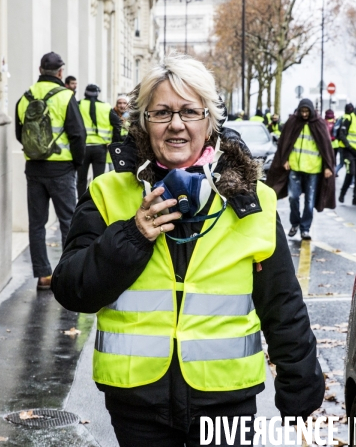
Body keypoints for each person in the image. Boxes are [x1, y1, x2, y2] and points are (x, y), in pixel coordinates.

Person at [52, 54, 324, 446]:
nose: (177, 124)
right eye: (162, 112)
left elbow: (281, 302)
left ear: (210, 121)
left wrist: (300, 386)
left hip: (226, 401)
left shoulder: (253, 201)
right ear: (144, 122)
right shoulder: (108, 193)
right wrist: (131, 236)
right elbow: (71, 289)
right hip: (137, 401)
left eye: (190, 112)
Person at [15, 52, 86, 289]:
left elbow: (19, 133)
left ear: (39, 69)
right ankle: (68, 274)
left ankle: (43, 276)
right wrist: (77, 163)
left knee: (37, 224)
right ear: (60, 72)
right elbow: (77, 135)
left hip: (34, 168)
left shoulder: (24, 97)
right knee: (69, 222)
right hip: (62, 169)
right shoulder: (66, 96)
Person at [267, 99, 336, 240]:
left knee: (309, 202)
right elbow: (284, 143)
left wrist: (328, 167)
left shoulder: (319, 124)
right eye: (302, 111)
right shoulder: (292, 122)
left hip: (313, 169)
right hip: (295, 168)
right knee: (293, 198)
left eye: (307, 111)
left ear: (311, 111)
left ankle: (305, 229)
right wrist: (284, 160)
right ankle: (295, 223)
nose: (304, 114)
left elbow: (326, 147)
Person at [77, 84, 123, 197]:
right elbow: (118, 124)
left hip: (83, 148)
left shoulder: (78, 105)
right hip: (100, 149)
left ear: (85, 93)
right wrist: (113, 142)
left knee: (81, 179)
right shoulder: (106, 107)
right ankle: (94, 203)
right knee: (98, 179)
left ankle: (80, 204)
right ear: (98, 94)